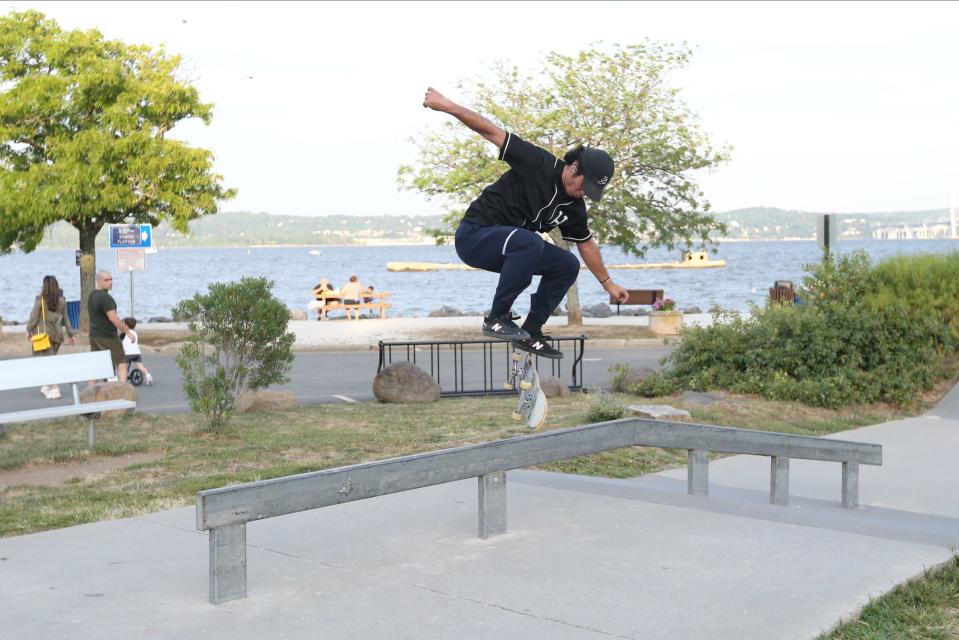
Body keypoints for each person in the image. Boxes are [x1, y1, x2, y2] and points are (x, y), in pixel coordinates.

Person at [423, 87, 629, 359]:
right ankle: (496, 318)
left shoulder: (574, 208)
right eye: (584, 186)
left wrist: (608, 284)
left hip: (515, 250)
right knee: (529, 240)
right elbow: (491, 131)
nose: (584, 194)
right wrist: (448, 106)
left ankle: (531, 332)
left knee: (566, 264)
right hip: (474, 237)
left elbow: (586, 244)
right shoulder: (538, 163)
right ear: (574, 167)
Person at [26, 275, 76, 399]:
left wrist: (29, 330)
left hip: (43, 336)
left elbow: (33, 318)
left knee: (48, 362)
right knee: (51, 359)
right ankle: (46, 385)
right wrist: (71, 334)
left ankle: (55, 388)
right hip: (57, 335)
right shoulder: (62, 301)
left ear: (44, 286)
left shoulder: (40, 301)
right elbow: (66, 320)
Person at [88, 270, 136, 383]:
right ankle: (123, 390)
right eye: (106, 280)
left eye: (111, 279)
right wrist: (127, 331)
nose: (110, 282)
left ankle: (91, 389)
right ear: (99, 281)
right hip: (107, 335)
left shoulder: (92, 295)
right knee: (121, 362)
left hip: (94, 335)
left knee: (96, 364)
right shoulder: (105, 298)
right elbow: (113, 318)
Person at [121, 317, 154, 385]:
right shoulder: (135, 333)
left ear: (126, 325)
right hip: (137, 353)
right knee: (140, 366)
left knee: (124, 368)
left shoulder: (124, 333)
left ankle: (122, 380)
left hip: (128, 354)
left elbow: (120, 341)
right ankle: (148, 375)